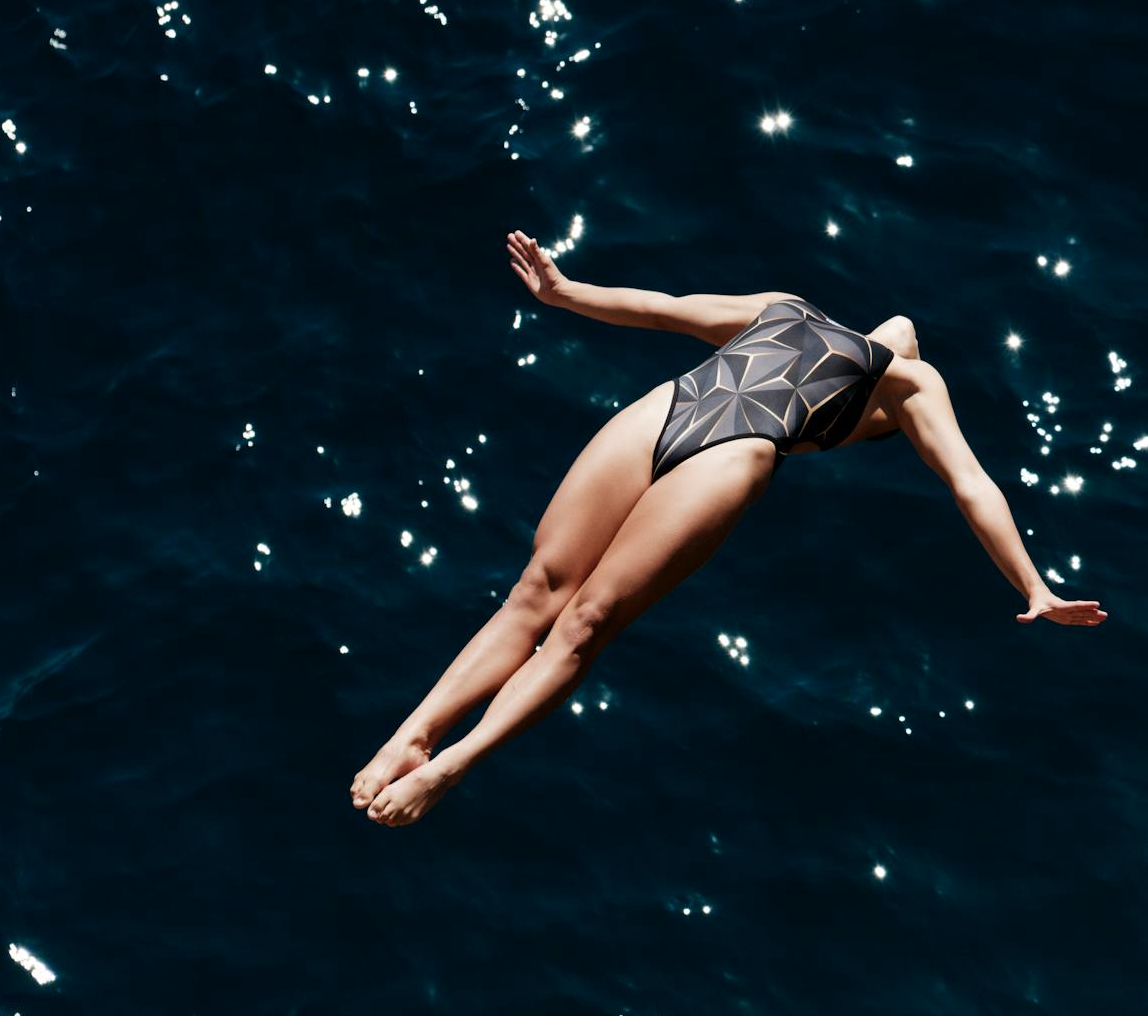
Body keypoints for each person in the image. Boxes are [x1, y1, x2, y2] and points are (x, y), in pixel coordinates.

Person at [351, 229, 1106, 825]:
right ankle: (453, 762)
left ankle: (412, 735)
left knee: (534, 593)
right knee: (584, 625)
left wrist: (565, 293)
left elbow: (662, 307)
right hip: (736, 452)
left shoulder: (787, 307)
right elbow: (972, 484)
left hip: (673, 406)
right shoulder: (910, 382)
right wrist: (1032, 584)